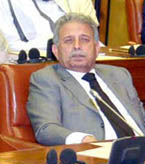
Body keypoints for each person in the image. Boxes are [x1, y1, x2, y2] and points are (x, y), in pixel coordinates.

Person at [27, 13, 145, 145]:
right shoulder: (46, 79)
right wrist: (82, 140)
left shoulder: (119, 75)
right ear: (55, 50)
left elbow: (141, 119)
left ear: (96, 48)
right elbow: (45, 129)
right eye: (69, 40)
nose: (77, 46)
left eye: (84, 39)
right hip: (97, 155)